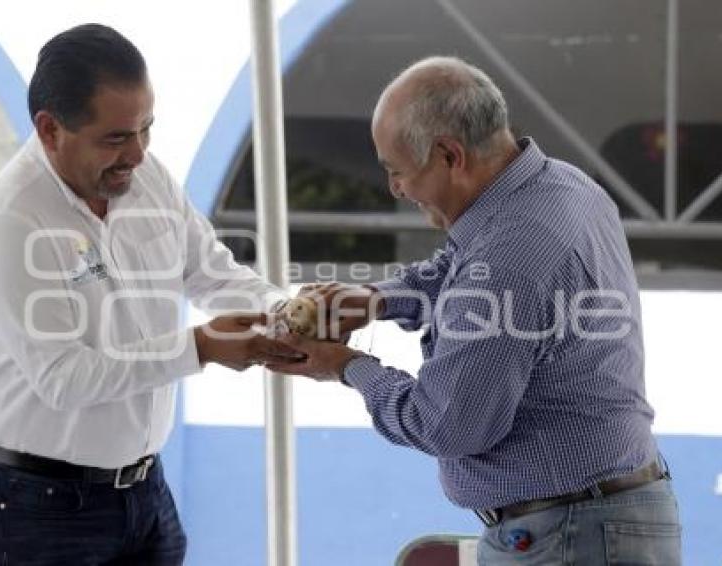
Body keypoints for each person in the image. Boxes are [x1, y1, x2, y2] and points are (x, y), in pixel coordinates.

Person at [268, 56, 682, 564]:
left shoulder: (510, 256)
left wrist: (348, 368)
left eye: (398, 171)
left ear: (448, 155)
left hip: (568, 536)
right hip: (603, 514)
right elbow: (460, 267)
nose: (396, 189)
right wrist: (376, 300)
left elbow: (447, 424)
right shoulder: (561, 187)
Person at [0, 24, 301, 565]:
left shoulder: (146, 176)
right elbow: (64, 378)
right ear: (50, 130)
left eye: (147, 129)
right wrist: (202, 348)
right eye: (116, 138)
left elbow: (210, 272)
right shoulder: (11, 221)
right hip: (43, 507)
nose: (138, 154)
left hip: (146, 489)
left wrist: (288, 311)